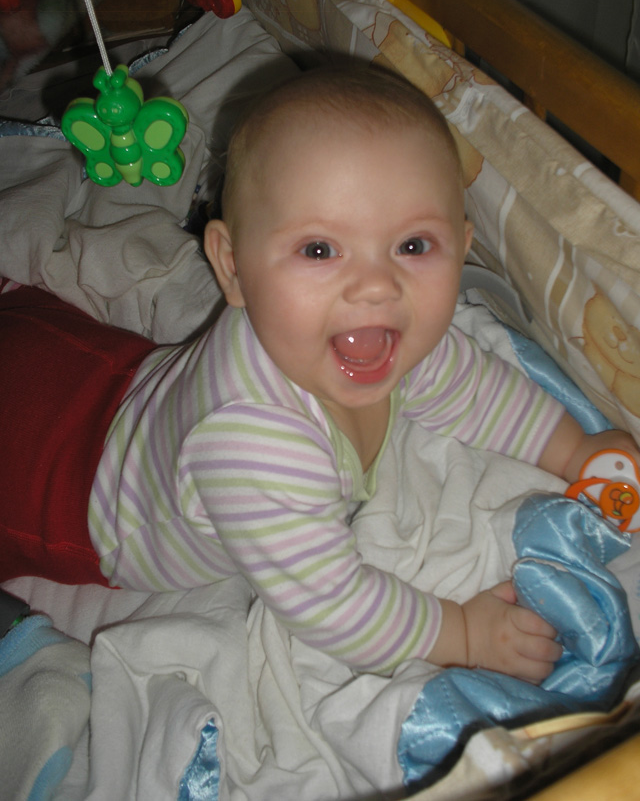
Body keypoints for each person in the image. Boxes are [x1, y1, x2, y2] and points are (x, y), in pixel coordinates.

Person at [1, 66, 638, 682]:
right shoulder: (255, 446)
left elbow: (473, 390)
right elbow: (331, 603)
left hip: (122, 378)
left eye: (413, 246)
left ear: (462, 247)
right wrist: (462, 634)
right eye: (319, 249)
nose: (376, 285)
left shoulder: (392, 333)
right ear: (233, 268)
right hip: (68, 494)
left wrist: (572, 451)